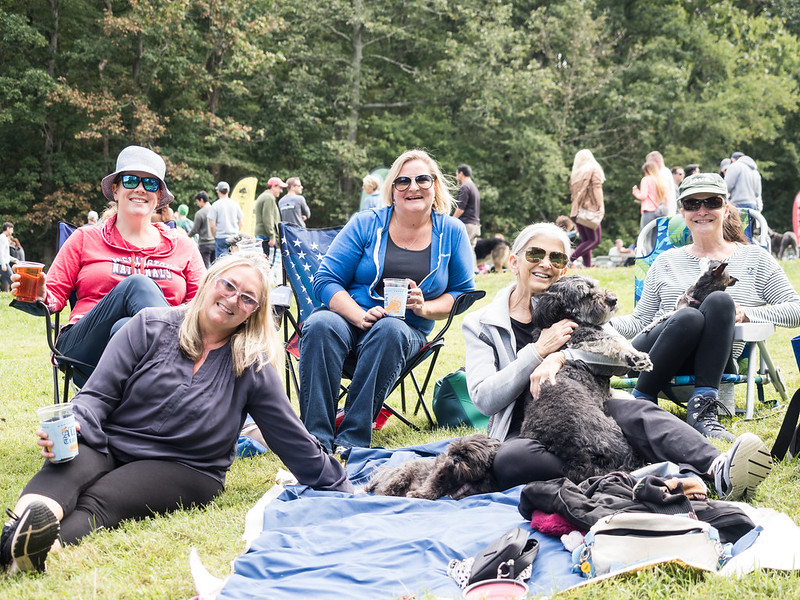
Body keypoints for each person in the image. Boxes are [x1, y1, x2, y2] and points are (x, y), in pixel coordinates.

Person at [0, 253, 352, 574]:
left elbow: (291, 439)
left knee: (103, 499)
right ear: (211, 281)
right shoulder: (148, 325)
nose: (232, 299)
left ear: (254, 313)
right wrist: (76, 424)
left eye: (247, 299)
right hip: (113, 441)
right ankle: (18, 533)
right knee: (67, 466)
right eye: (228, 285)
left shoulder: (252, 365)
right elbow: (96, 395)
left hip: (185, 466)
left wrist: (341, 484)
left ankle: (30, 553)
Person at [462, 221, 773, 502]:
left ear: (564, 269)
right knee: (510, 462)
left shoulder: (578, 305)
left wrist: (563, 355)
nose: (545, 263)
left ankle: (717, 468)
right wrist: (537, 353)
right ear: (514, 262)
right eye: (535, 254)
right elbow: (484, 399)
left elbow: (619, 357)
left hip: (591, 409)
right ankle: (635, 474)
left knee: (638, 412)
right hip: (525, 430)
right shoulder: (482, 323)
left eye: (556, 258)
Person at [298, 149, 475, 454]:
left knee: (389, 329)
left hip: (403, 330)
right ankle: (314, 444)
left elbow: (462, 292)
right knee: (320, 324)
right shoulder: (366, 224)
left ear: (435, 187)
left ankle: (352, 442)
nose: (413, 187)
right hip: (348, 318)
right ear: (391, 190)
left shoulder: (452, 231)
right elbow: (324, 280)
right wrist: (357, 315)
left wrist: (425, 307)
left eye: (422, 179)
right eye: (402, 181)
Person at [611, 173, 800, 440]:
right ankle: (643, 401)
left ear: (725, 208)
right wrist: (598, 325)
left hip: (714, 363)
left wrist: (747, 314)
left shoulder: (755, 259)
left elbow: (796, 309)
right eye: (692, 204)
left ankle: (703, 411)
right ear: (682, 211)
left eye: (711, 202)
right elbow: (640, 320)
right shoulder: (666, 260)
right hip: (655, 357)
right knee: (688, 316)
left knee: (720, 300)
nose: (702, 211)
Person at [10, 145, 206, 384]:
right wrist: (39, 294)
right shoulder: (85, 239)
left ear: (158, 198)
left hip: (144, 356)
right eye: (131, 180)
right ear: (115, 190)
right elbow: (52, 298)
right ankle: (179, 383)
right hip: (86, 350)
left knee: (126, 329)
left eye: (151, 184)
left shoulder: (183, 247)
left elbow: (201, 308)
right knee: (137, 286)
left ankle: (124, 412)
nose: (141, 189)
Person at [568, 149, 605, 268]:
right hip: (589, 209)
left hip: (576, 211)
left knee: (586, 240)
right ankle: (570, 259)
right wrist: (601, 205)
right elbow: (597, 188)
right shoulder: (594, 168)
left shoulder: (575, 173)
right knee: (595, 240)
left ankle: (588, 266)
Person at [454, 164, 481, 272]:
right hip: (475, 224)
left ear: (461, 173)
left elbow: (460, 209)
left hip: (467, 223)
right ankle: (474, 271)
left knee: (462, 248)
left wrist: (451, 220)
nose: (456, 177)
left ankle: (466, 272)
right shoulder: (473, 186)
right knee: (470, 248)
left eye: (456, 174)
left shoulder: (465, 187)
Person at [209, 181, 243, 258]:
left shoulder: (215, 205)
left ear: (218, 191)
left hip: (221, 237)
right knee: (234, 259)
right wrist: (236, 232)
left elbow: (212, 225)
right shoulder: (235, 204)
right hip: (234, 236)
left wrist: (215, 235)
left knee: (221, 261)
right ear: (228, 191)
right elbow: (241, 222)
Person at [254, 177, 285, 258]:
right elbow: (267, 218)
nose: (281, 191)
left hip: (262, 234)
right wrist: (272, 236)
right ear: (274, 186)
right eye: (280, 188)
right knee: (267, 263)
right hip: (266, 236)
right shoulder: (269, 198)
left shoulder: (264, 196)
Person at [632, 160, 667, 230]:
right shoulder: (660, 181)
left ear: (646, 170)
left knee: (646, 236)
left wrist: (635, 191)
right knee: (655, 237)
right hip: (659, 212)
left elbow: (643, 196)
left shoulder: (646, 180)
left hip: (648, 211)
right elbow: (665, 198)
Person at [188, 191, 216, 268]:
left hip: (204, 244)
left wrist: (187, 236)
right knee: (214, 266)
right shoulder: (215, 210)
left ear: (201, 200)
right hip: (215, 242)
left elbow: (195, 230)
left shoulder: (199, 213)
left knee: (205, 266)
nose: (197, 204)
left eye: (197, 202)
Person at [646, 150, 677, 216]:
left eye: (650, 163)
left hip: (663, 213)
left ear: (657, 162)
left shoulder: (662, 174)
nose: (648, 166)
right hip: (668, 212)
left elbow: (662, 195)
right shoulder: (666, 172)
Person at [0, 222, 14, 292]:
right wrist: (3, 264)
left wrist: (14, 260)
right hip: (3, 263)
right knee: (12, 279)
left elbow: (5, 254)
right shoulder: (2, 238)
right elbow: (1, 252)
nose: (12, 231)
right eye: (11, 229)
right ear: (8, 228)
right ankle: (19, 294)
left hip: (4, 262)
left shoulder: (3, 238)